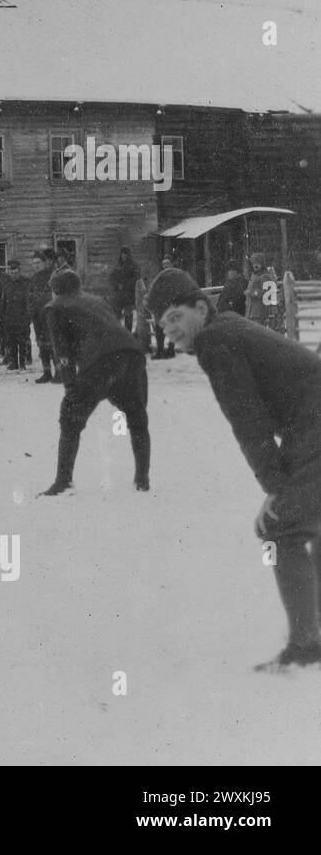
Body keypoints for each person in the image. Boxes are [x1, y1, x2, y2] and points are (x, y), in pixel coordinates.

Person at [148, 268, 321, 671]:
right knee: (310, 520)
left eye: (176, 317)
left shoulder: (215, 340)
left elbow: (249, 421)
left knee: (280, 526)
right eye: (163, 324)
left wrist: (275, 487)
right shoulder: (226, 328)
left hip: (314, 422)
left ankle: (306, 648)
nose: (170, 330)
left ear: (201, 307)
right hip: (310, 422)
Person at [40, 269, 150, 497]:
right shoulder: (97, 301)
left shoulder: (55, 307)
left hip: (100, 362)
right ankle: (142, 479)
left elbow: (62, 351)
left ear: (55, 289)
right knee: (137, 418)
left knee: (70, 418)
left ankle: (63, 481)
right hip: (132, 355)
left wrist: (70, 387)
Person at [28, 249, 58, 384]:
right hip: (38, 318)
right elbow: (29, 297)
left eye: (38, 262)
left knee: (53, 344)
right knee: (42, 345)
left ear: (45, 263)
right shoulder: (33, 279)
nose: (36, 265)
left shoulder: (53, 276)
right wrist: (31, 311)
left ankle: (59, 372)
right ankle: (47, 372)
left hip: (50, 316)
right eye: (34, 263)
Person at [0, 258, 33, 371]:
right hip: (10, 318)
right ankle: (14, 363)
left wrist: (28, 318)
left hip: (22, 318)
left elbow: (29, 303)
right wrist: (3, 317)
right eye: (12, 273)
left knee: (22, 342)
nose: (14, 275)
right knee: (12, 341)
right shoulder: (7, 286)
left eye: (16, 273)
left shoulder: (25, 285)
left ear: (19, 272)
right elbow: (3, 303)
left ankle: (22, 363)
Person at [110, 247, 142, 331]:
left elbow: (136, 277)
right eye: (122, 254)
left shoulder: (134, 265)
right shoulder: (118, 265)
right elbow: (112, 278)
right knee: (117, 315)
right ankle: (118, 332)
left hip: (129, 294)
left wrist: (126, 285)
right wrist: (117, 285)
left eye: (125, 254)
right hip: (119, 294)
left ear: (129, 255)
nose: (123, 256)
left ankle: (128, 332)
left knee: (128, 314)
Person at [245, 253, 278, 329]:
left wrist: (252, 293)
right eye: (254, 263)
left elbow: (268, 294)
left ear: (262, 264)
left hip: (259, 313)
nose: (255, 265)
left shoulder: (265, 276)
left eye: (258, 263)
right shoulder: (254, 276)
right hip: (251, 312)